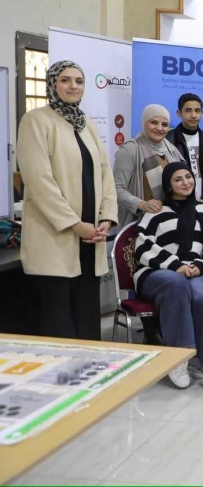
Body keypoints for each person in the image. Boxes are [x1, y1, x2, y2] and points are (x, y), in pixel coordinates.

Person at [17, 60, 117, 340]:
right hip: (57, 237)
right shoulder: (35, 121)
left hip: (91, 239)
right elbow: (39, 182)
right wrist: (75, 224)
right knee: (59, 321)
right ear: (52, 84)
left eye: (79, 81)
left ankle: (92, 366)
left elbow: (105, 172)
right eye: (65, 80)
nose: (73, 86)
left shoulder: (86, 124)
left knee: (87, 319)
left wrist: (107, 216)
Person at [133, 162, 203, 395]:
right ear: (168, 185)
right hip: (158, 272)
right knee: (176, 284)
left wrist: (199, 266)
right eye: (178, 179)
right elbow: (142, 248)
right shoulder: (156, 211)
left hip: (196, 270)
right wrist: (175, 265)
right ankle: (178, 359)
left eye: (188, 177)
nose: (185, 182)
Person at [114, 104, 185, 228]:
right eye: (154, 122)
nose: (159, 128)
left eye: (165, 124)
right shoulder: (130, 149)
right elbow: (116, 189)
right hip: (139, 224)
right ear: (144, 122)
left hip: (170, 223)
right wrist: (141, 204)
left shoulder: (171, 149)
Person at [166, 93, 203, 203]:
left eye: (197, 111)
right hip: (177, 201)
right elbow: (165, 174)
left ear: (202, 113)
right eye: (188, 111)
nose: (194, 115)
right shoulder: (169, 139)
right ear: (179, 113)